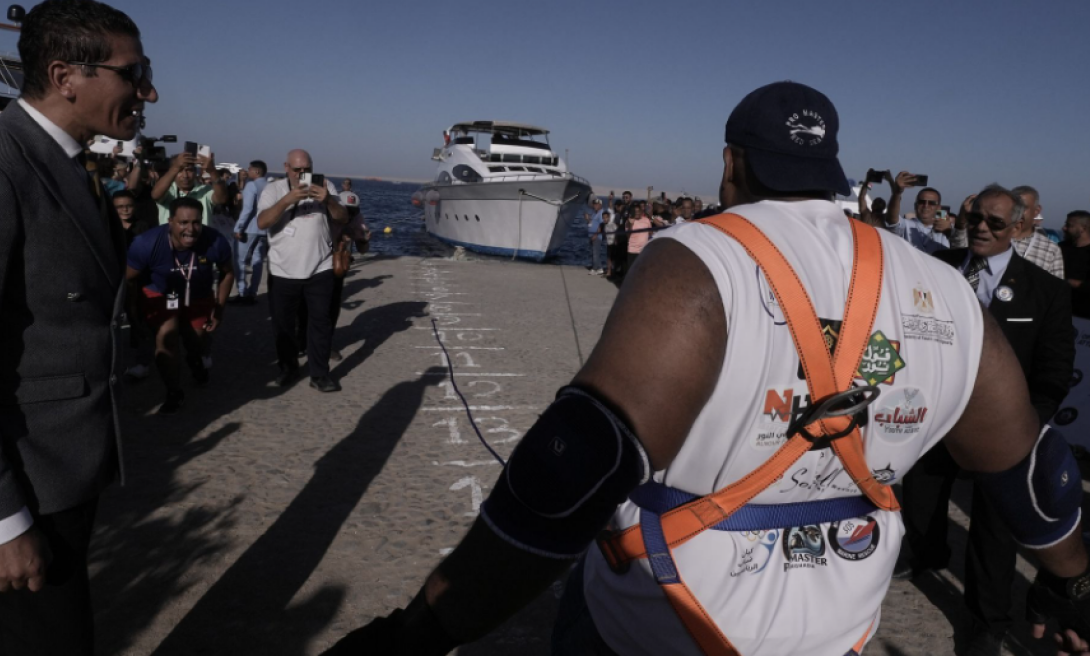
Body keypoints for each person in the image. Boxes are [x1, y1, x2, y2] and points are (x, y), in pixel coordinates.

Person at [325, 81, 1090, 656]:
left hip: (661, 620)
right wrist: (1072, 584)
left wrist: (418, 634)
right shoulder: (949, 291)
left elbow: (572, 476)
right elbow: (1034, 479)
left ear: (732, 162)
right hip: (839, 629)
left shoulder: (697, 259)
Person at [0, 1, 158, 652]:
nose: (149, 91)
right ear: (66, 76)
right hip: (13, 498)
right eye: (134, 73)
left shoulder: (62, 162)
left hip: (56, 485)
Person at [898, 184, 1075, 654]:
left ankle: (986, 622)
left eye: (995, 222)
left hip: (1002, 434)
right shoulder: (937, 273)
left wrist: (1022, 428)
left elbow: (1055, 369)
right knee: (919, 503)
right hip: (936, 423)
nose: (980, 228)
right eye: (974, 217)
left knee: (993, 535)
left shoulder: (1046, 291)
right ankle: (927, 553)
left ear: (1018, 227)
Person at [126, 197, 233, 413]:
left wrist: (219, 310)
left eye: (196, 222)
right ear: (171, 221)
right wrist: (133, 313)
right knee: (167, 338)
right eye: (183, 223)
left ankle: (195, 361)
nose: (190, 229)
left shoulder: (215, 241)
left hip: (198, 296)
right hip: (161, 294)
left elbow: (228, 272)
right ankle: (174, 392)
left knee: (197, 342)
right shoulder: (146, 243)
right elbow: (129, 279)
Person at [256, 149, 349, 392]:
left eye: (306, 169)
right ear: (286, 167)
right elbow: (262, 222)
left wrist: (328, 200)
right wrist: (289, 199)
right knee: (283, 325)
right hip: (282, 269)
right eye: (297, 170)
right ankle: (288, 368)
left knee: (321, 322)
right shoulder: (273, 189)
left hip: (320, 267)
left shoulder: (325, 185)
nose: (302, 175)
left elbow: (342, 218)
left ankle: (319, 374)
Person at [328, 190, 373, 360]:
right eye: (347, 210)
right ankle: (302, 340)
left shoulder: (358, 219)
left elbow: (363, 250)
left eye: (354, 211)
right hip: (316, 263)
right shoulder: (327, 215)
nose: (350, 214)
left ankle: (326, 343)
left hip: (337, 265)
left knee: (331, 307)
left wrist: (363, 240)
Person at [151, 149, 227, 225]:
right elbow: (156, 195)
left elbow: (221, 199)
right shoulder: (168, 190)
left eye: (189, 170)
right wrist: (175, 167)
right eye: (180, 171)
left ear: (195, 172)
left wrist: (212, 171)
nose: (185, 175)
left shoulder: (205, 190)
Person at [231, 159, 270, 305]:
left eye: (250, 169)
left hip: (249, 228)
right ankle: (253, 293)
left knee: (239, 261)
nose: (248, 171)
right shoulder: (270, 186)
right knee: (257, 262)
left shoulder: (251, 185)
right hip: (264, 228)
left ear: (257, 171)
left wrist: (239, 227)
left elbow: (247, 209)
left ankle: (242, 293)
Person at [1012, 185, 1064, 278]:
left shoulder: (1050, 249)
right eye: (1014, 208)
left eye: (1023, 208)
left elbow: (1056, 288)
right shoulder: (993, 241)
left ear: (1037, 210)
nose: (1017, 213)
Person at [885, 184, 951, 254]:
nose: (926, 205)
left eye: (931, 203)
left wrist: (949, 232)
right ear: (915, 206)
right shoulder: (906, 225)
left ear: (938, 208)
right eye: (921, 202)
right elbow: (892, 218)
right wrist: (897, 193)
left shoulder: (946, 230)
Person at [1061, 210, 1090, 319]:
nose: (1064, 228)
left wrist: (1069, 282)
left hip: (1084, 317)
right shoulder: (1059, 248)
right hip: (1059, 313)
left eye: (1069, 225)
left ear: (1083, 228)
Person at [625, 202, 652, 273]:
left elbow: (650, 233)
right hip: (633, 250)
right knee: (632, 271)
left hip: (643, 250)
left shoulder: (646, 220)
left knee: (642, 270)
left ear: (641, 211)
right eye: (635, 211)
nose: (637, 213)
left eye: (638, 211)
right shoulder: (628, 221)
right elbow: (628, 235)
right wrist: (631, 224)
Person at [586, 198, 605, 275]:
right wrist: (587, 219)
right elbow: (591, 223)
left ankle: (594, 269)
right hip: (592, 235)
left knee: (595, 253)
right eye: (594, 204)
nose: (595, 206)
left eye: (597, 204)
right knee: (594, 252)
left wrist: (595, 235)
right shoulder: (594, 213)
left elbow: (601, 225)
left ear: (600, 205)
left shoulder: (601, 213)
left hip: (597, 236)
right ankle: (600, 268)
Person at [601, 210, 617, 278]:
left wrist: (616, 240)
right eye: (603, 218)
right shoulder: (605, 225)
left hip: (614, 244)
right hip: (608, 243)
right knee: (608, 258)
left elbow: (617, 231)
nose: (605, 219)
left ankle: (613, 272)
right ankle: (609, 272)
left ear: (609, 217)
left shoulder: (612, 224)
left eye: (606, 217)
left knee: (613, 259)